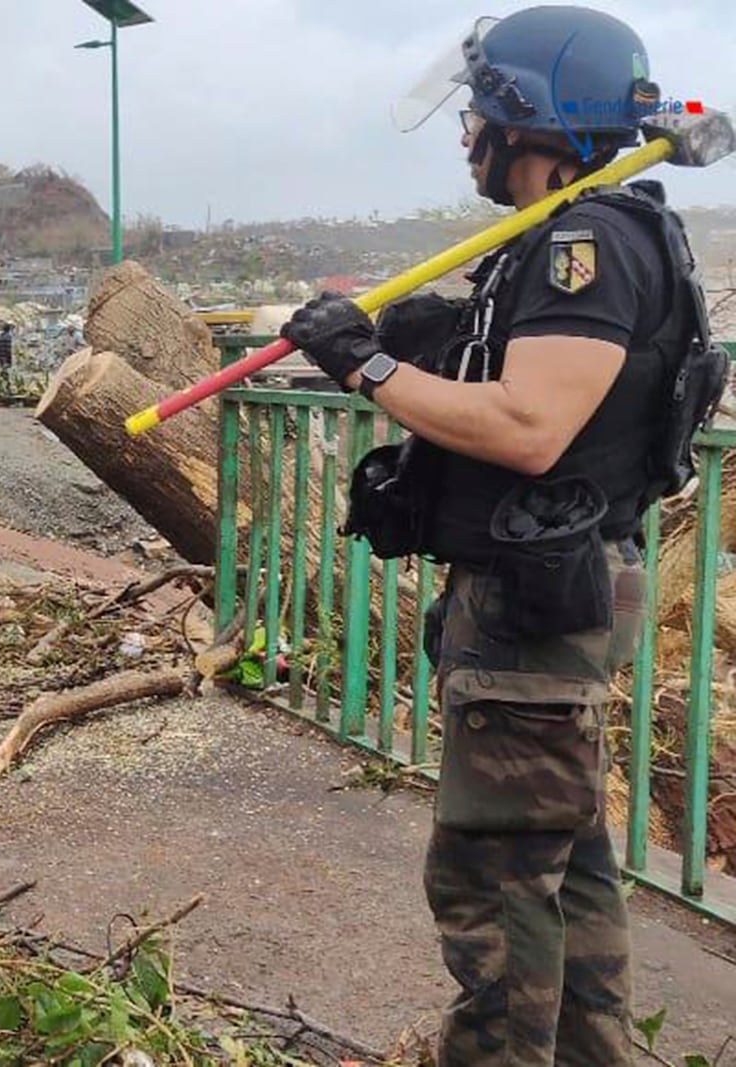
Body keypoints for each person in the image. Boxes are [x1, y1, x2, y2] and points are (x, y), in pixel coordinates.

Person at [279, 8, 720, 1065]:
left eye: (478, 107)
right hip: (537, 597)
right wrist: (413, 342)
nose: (465, 128)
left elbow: (530, 428)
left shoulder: (585, 244)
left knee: (492, 885)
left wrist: (366, 370)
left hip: (534, 613)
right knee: (562, 869)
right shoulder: (567, 239)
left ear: (526, 119)